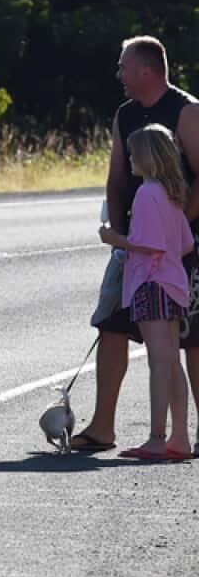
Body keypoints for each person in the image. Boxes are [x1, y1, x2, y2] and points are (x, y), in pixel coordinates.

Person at [72, 36, 199, 453]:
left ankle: (174, 436)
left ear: (146, 69)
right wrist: (118, 235)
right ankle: (102, 427)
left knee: (189, 339)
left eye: (124, 67)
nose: (119, 75)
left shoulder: (186, 111)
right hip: (133, 242)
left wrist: (170, 227)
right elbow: (116, 176)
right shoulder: (125, 115)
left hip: (173, 244)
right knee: (111, 324)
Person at [97, 124, 193, 459]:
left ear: (146, 157)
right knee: (171, 360)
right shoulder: (171, 193)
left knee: (159, 360)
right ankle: (180, 436)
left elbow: (147, 245)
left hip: (150, 284)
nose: (130, 160)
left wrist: (115, 240)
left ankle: (156, 437)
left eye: (134, 153)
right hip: (173, 283)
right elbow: (184, 244)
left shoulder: (147, 193)